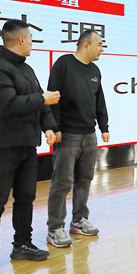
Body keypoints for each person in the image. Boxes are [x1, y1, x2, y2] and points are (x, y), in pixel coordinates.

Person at [0, 19, 60, 274]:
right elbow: (8, 105)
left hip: (27, 145)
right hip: (1, 148)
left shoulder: (26, 69)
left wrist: (48, 127)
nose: (32, 44)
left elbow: (40, 104)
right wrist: (42, 98)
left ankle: (22, 244)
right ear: (21, 40)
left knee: (26, 198)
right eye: (31, 39)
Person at [45, 30, 110, 248]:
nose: (102, 49)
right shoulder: (63, 64)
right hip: (67, 134)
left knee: (85, 180)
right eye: (99, 45)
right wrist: (54, 127)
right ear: (86, 45)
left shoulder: (95, 70)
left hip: (89, 135)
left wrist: (104, 126)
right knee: (62, 183)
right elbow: (52, 97)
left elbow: (100, 100)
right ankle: (55, 228)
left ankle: (79, 220)